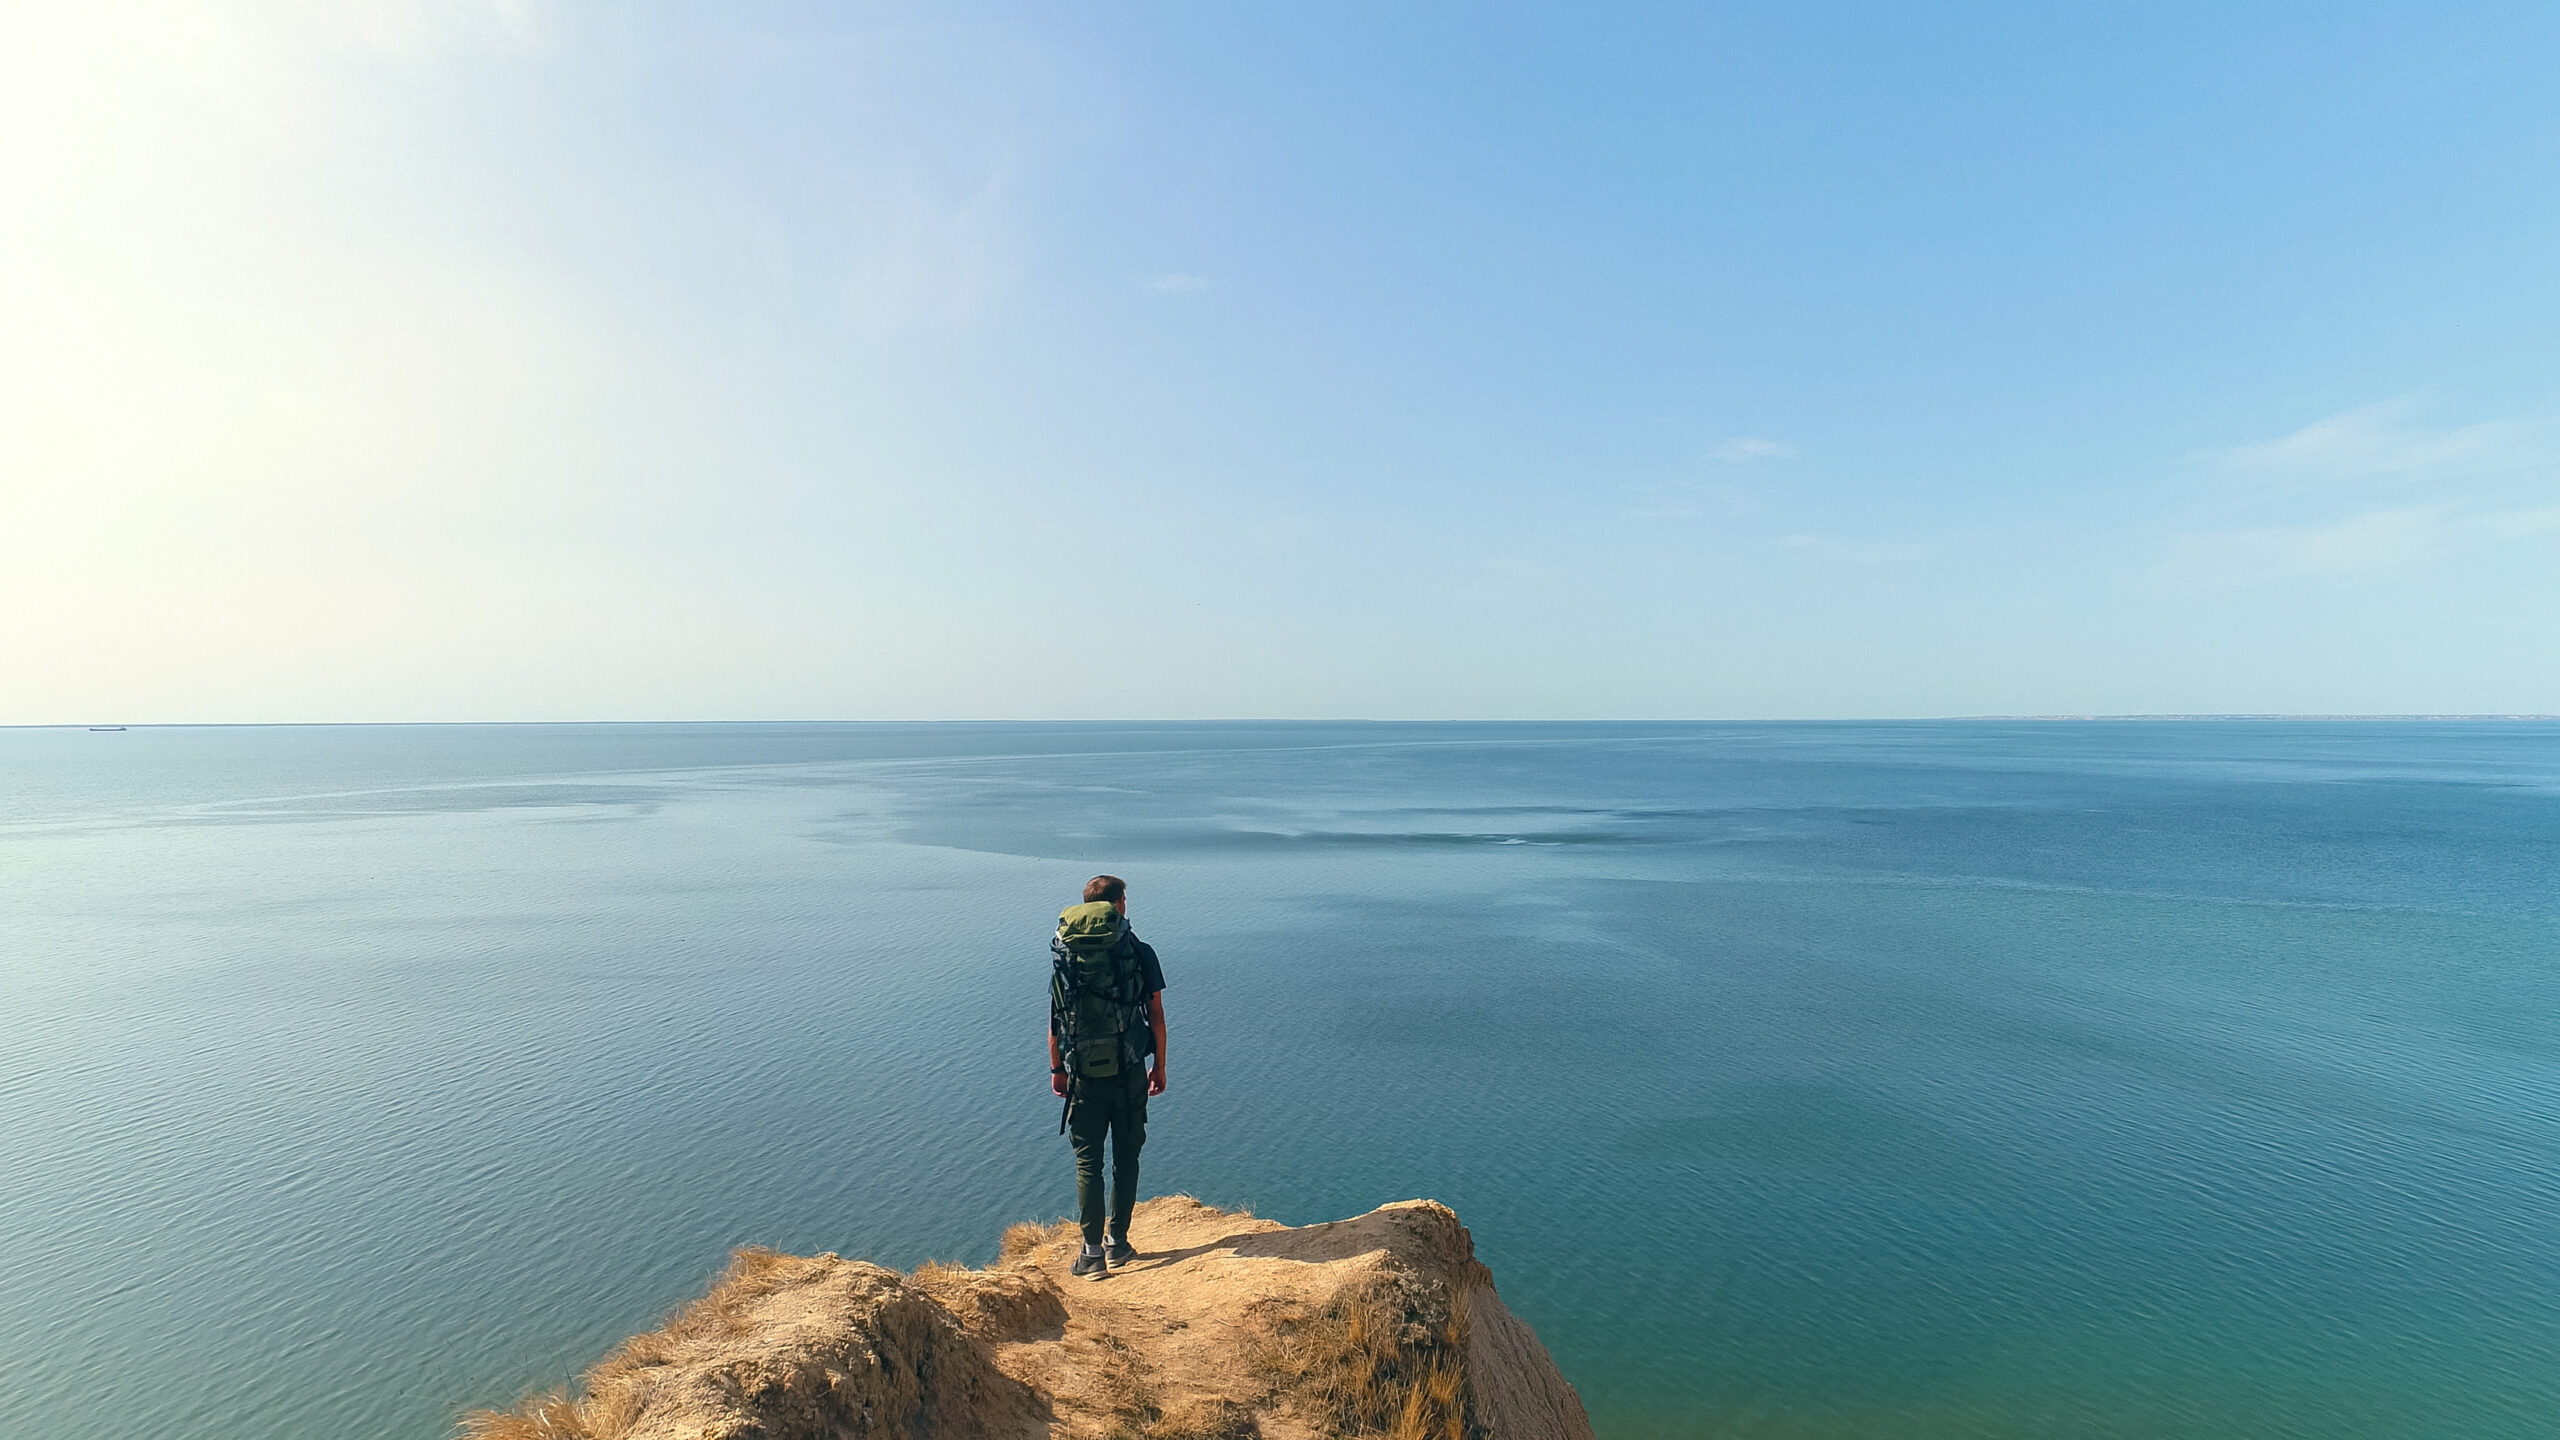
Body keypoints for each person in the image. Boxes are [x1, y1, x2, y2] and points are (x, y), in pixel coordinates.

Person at [1047, 874, 1167, 1279]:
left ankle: (1091, 1254)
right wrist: (1160, 1065)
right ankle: (1119, 1244)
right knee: (1126, 1157)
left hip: (1082, 1074)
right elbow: (1156, 1017)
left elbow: (1056, 1019)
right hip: (1129, 1068)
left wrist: (1057, 1069)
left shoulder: (1065, 953)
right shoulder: (1138, 950)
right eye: (1125, 900)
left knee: (1088, 1163)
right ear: (1117, 905)